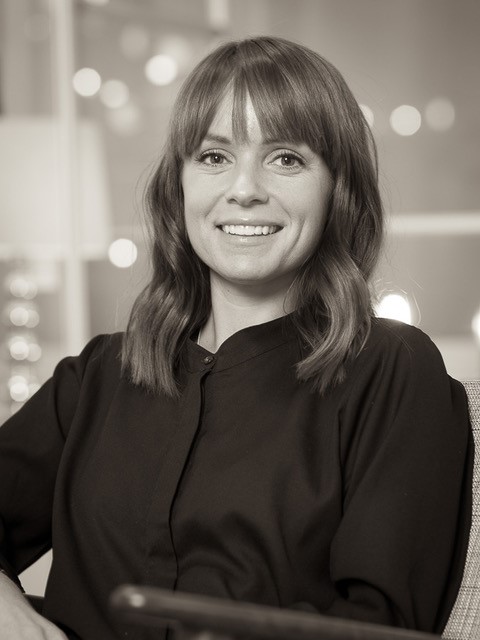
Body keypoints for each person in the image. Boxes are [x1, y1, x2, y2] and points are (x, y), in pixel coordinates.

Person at [0, 36, 473, 640]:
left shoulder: (393, 372)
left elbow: (381, 627)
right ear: (179, 186)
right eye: (214, 156)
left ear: (338, 189)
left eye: (286, 158)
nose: (244, 189)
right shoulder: (98, 375)